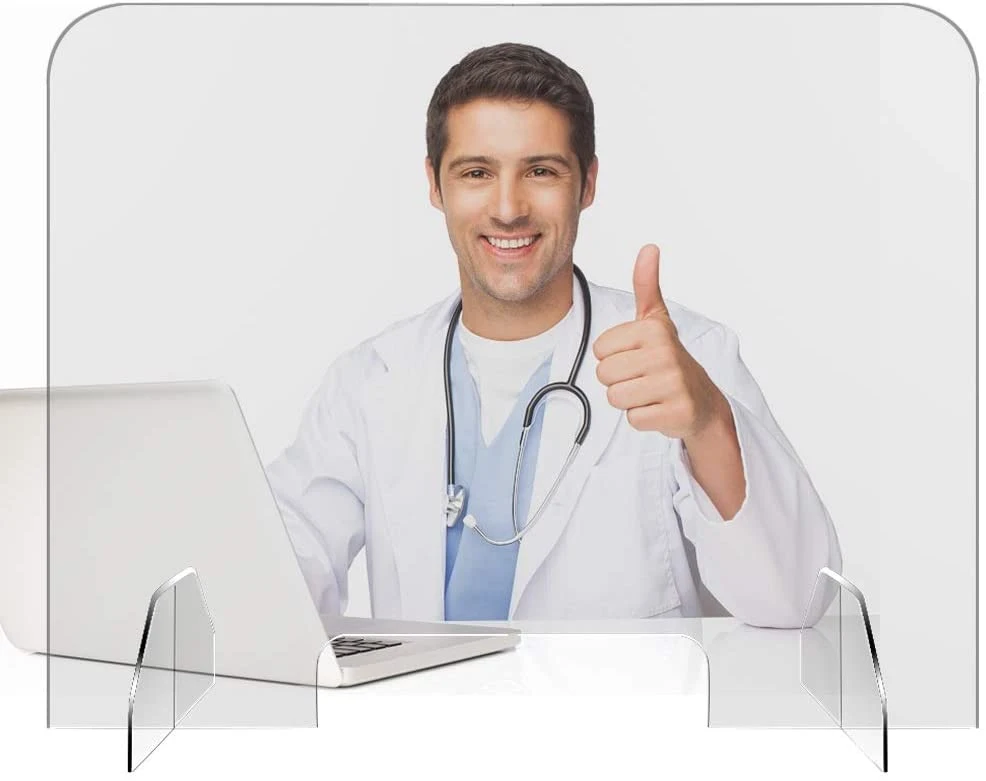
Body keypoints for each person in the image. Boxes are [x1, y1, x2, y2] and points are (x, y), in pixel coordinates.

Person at [266, 42, 842, 628]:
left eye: (541, 171)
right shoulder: (370, 382)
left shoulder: (682, 360)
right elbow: (274, 575)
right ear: (435, 185)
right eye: (476, 173)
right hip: (424, 694)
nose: (508, 208)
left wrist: (709, 420)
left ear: (587, 183)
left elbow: (799, 601)